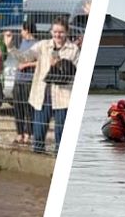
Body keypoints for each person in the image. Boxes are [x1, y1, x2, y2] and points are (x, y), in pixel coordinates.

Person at [13, 15, 79, 153]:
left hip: (63, 95)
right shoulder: (43, 45)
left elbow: (75, 72)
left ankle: (58, 156)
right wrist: (10, 47)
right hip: (42, 95)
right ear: (51, 32)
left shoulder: (73, 49)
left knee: (61, 131)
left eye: (61, 32)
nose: (57, 35)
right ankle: (38, 154)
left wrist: (59, 64)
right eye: (55, 31)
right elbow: (25, 57)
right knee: (39, 131)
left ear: (66, 32)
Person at [5, 20, 38, 144]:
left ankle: (28, 134)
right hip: (18, 80)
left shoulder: (36, 45)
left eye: (22, 30)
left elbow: (40, 62)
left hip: (29, 81)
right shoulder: (23, 43)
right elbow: (19, 57)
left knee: (28, 109)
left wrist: (27, 64)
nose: (21, 32)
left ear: (27, 30)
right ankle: (19, 134)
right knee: (18, 108)